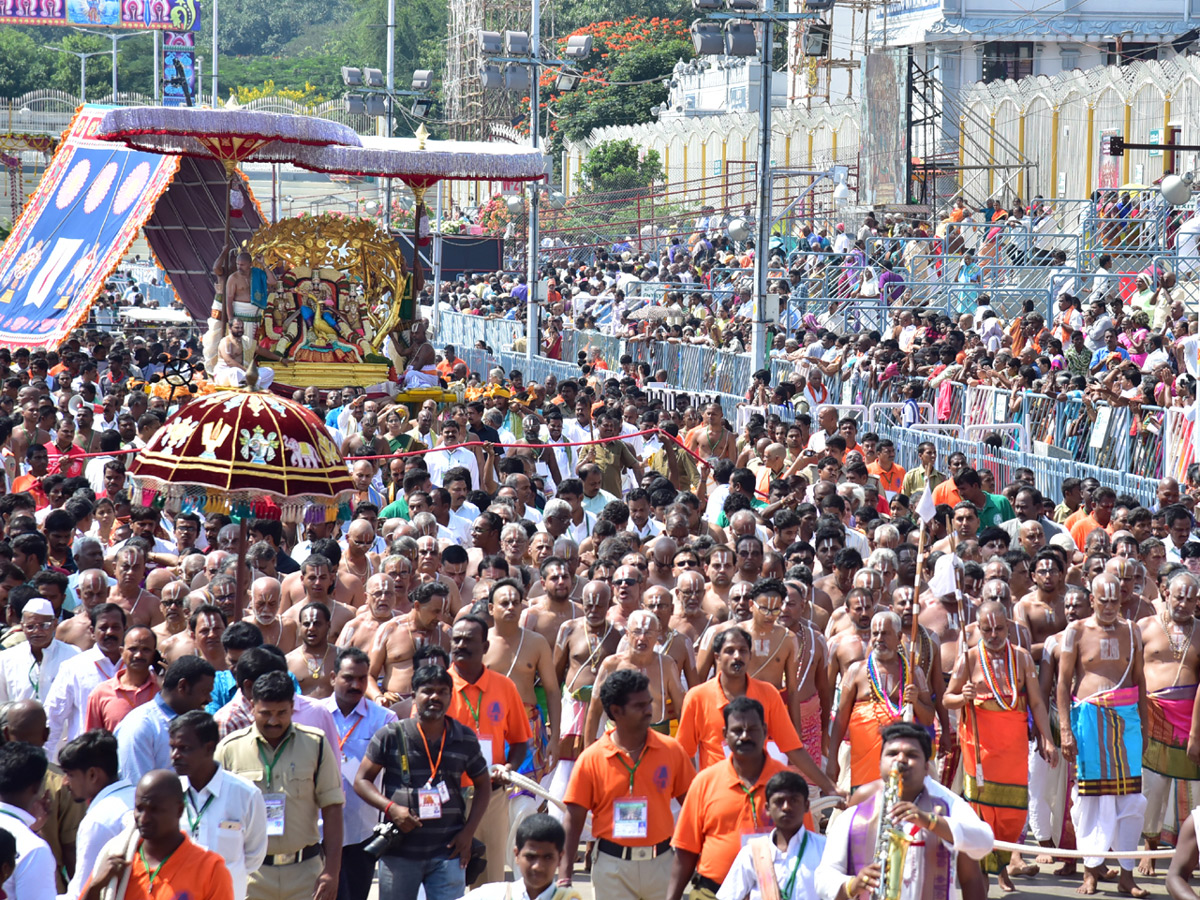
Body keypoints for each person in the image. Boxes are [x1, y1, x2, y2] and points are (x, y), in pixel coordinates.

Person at [942, 600, 1058, 892]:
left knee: (1012, 813)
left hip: (1013, 749)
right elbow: (947, 699)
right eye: (987, 629)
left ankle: (1002, 867)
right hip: (979, 748)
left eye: (999, 628)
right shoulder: (968, 659)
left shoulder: (1020, 657)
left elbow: (1035, 702)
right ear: (977, 629)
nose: (993, 635)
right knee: (981, 812)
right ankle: (981, 876)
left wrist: (1047, 738)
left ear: (1009, 627)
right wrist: (963, 696)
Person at [353, 663, 491, 900]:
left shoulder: (464, 737)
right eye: (427, 690)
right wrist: (391, 808)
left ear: (450, 697)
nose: (435, 697)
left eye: (442, 691)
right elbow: (361, 780)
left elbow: (484, 786)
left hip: (449, 851)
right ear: (414, 694)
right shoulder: (391, 735)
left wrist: (468, 833)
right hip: (399, 852)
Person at [813, 722, 994, 900]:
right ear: (880, 763)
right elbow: (823, 876)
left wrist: (930, 821)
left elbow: (984, 841)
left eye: (911, 754)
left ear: (926, 767)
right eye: (892, 753)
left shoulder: (949, 805)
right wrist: (853, 885)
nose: (900, 760)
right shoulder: (857, 813)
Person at [559, 669, 696, 900]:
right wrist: (564, 876)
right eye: (639, 706)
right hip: (612, 870)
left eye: (649, 703)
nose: (649, 710)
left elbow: (695, 808)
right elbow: (574, 819)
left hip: (662, 866)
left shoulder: (671, 751)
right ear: (616, 711)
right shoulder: (591, 758)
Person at [215, 671, 344, 900]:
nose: (274, 721)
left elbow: (332, 808)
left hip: (305, 873)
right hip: (250, 875)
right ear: (252, 706)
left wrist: (332, 872)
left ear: (293, 707)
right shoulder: (229, 749)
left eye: (282, 713)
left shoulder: (316, 744)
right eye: (266, 713)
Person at [1057, 572, 1148, 898]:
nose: (1109, 607)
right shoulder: (1075, 632)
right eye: (1103, 600)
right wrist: (1065, 730)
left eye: (1115, 600)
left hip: (1127, 725)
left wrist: (1146, 728)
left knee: (1131, 799)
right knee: (1089, 800)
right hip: (1089, 725)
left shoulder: (1132, 631)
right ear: (1091, 600)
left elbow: (1140, 681)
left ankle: (1127, 875)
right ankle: (1090, 871)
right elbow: (1063, 684)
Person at [667, 697, 792, 900]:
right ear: (725, 735)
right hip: (711, 893)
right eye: (737, 731)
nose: (745, 736)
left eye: (752, 729)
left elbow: (803, 844)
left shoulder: (787, 783)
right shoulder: (704, 782)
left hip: (772, 893)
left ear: (765, 731)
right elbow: (685, 851)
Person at [444, 615, 532, 885]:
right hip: (448, 797)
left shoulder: (505, 687)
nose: (460, 644)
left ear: (484, 646)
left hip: (491, 796)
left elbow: (519, 742)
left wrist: (510, 768)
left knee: (490, 881)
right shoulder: (438, 686)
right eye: (456, 639)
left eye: (468, 639)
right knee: (447, 879)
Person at [80, 770, 234, 900]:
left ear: (179, 810)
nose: (144, 818)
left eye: (155, 810)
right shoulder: (117, 859)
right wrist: (96, 886)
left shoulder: (210, 869)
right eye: (139, 808)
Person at [168, 710, 267, 900]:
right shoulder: (169, 794)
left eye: (184, 748)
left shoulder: (245, 794)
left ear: (209, 748)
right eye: (172, 747)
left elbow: (254, 856)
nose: (175, 755)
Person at [323, 647, 397, 900]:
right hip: (319, 828)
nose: (356, 685)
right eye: (348, 678)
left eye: (362, 679)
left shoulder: (385, 719)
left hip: (362, 830)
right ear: (333, 677)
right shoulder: (315, 714)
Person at [716, 770, 824, 900]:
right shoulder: (752, 853)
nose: (786, 807)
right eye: (779, 801)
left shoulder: (824, 849)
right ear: (767, 808)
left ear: (806, 806)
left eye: (794, 800)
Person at [58, 730, 136, 900]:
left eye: (70, 774)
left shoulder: (98, 821)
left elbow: (81, 892)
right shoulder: (138, 797)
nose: (65, 782)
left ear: (93, 775)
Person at [115, 656, 216, 786]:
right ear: (183, 686)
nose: (209, 700)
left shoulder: (194, 724)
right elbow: (137, 788)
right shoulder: (140, 726)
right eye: (204, 692)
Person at [44, 602, 126, 761]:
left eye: (116, 627)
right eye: (103, 627)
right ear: (92, 631)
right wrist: (46, 764)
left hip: (127, 759)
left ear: (125, 629)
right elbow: (53, 718)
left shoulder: (138, 668)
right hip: (85, 760)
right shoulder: (74, 667)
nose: (110, 632)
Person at [462, 814, 565, 900]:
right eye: (530, 857)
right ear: (516, 855)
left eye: (547, 857)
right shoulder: (491, 895)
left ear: (560, 858)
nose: (537, 866)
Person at [0, 596, 80, 703]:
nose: (37, 631)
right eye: (30, 626)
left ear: (55, 624)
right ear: (22, 627)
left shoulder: (73, 655)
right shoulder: (6, 659)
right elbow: (2, 704)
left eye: (44, 625)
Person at [85, 625, 159, 732]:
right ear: (121, 652)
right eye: (133, 649)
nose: (138, 655)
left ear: (154, 653)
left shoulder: (163, 691)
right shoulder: (100, 694)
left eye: (146, 650)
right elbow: (92, 742)